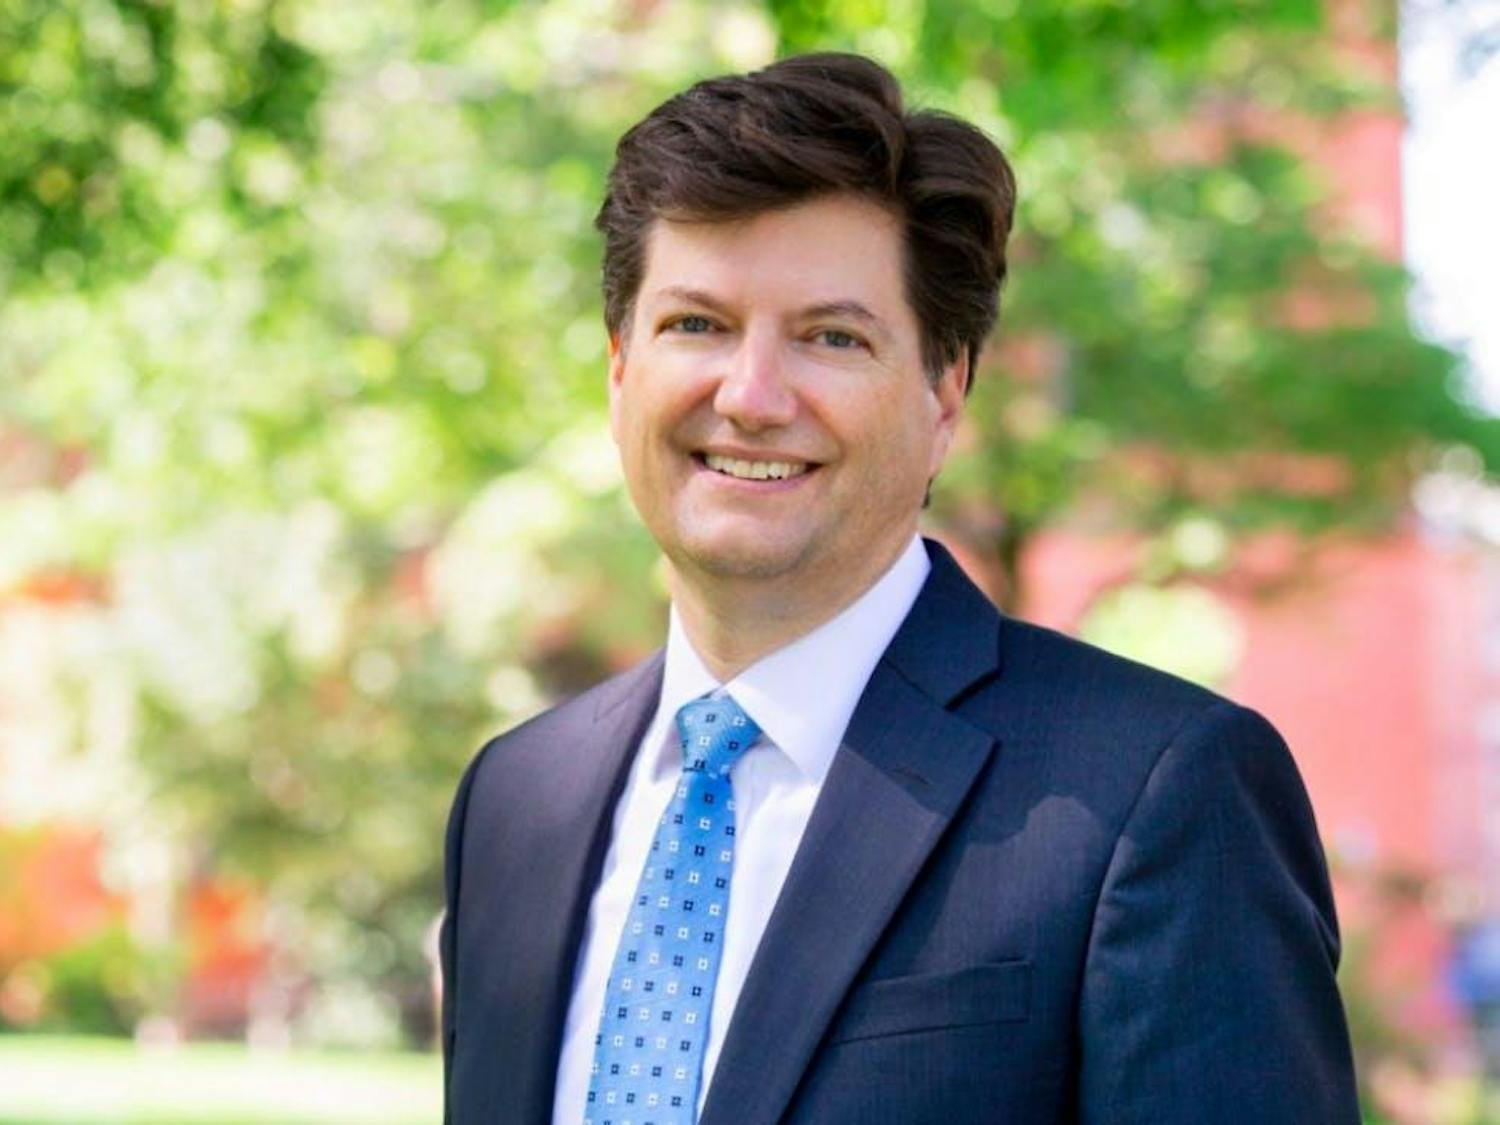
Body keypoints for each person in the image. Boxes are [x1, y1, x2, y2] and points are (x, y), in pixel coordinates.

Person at [439, 52, 1361, 1124]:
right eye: (697, 324)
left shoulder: (1158, 794)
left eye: (833, 337)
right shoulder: (513, 801)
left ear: (944, 392)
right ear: (617, 367)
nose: (751, 395)